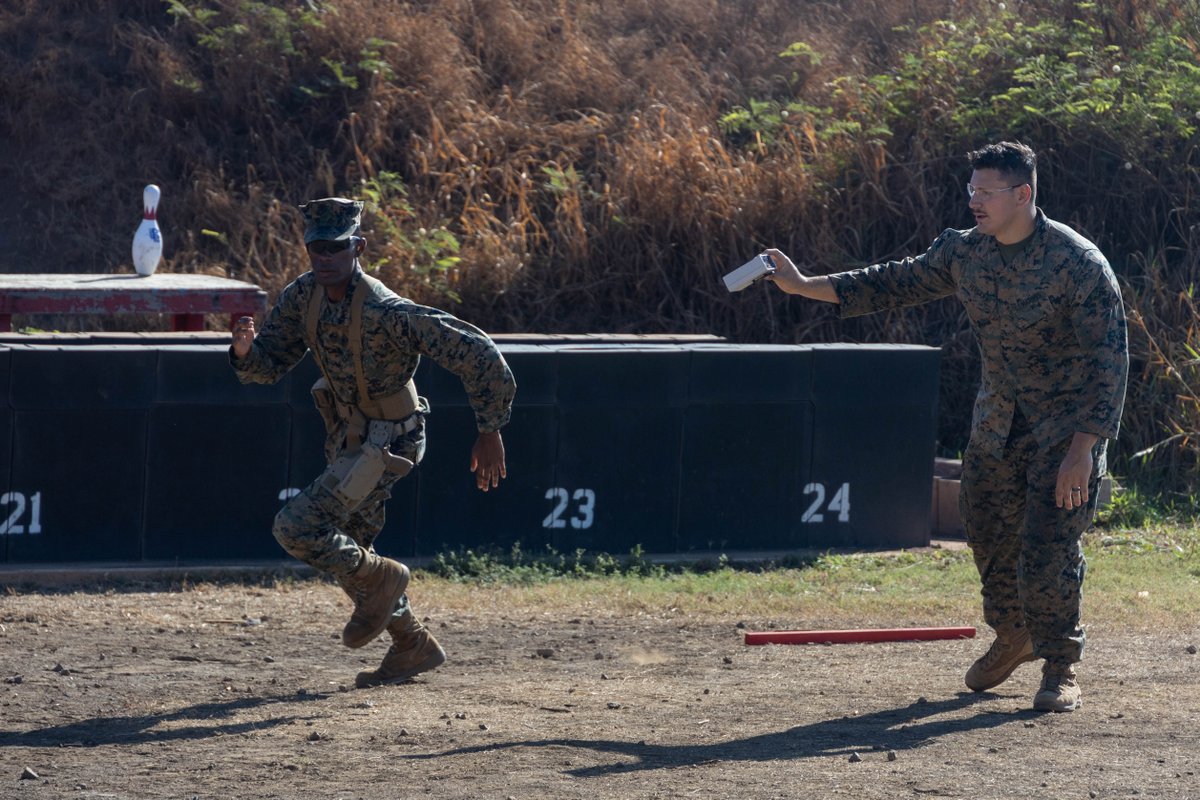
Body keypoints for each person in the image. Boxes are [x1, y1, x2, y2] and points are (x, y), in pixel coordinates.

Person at [763, 142, 1128, 712]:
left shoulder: (1077, 264)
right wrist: (805, 283)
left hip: (1065, 434)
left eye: (986, 192)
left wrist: (1084, 450)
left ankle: (1060, 666)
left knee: (1048, 547)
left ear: (1023, 195)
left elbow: (1111, 365)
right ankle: (1013, 636)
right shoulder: (966, 253)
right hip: (996, 428)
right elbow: (891, 282)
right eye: (971, 191)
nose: (974, 201)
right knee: (985, 535)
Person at [230, 197, 516, 688]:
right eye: (316, 248)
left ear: (358, 247)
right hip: (349, 440)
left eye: (335, 248)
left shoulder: (388, 311)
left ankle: (387, 588)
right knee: (354, 554)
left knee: (296, 527)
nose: (324, 258)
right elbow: (268, 364)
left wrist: (490, 430)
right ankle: (413, 645)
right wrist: (243, 351)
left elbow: (478, 351)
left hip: (390, 444)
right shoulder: (303, 298)